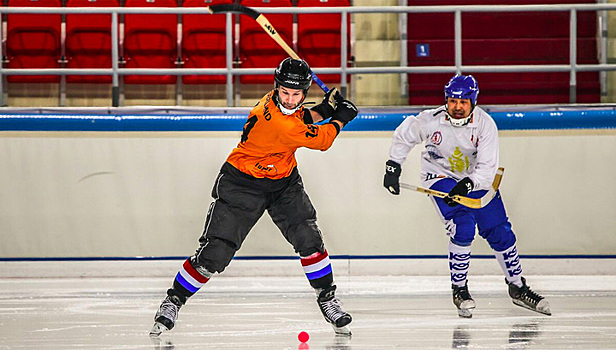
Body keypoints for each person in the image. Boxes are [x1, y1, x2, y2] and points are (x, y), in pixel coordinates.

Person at [150, 57, 358, 336]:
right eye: (285, 92)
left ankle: (327, 298)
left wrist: (326, 108)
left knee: (309, 238)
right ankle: (173, 300)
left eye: (296, 94)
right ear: (276, 87)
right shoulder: (275, 121)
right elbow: (321, 140)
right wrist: (342, 115)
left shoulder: (284, 108)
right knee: (215, 253)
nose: (289, 98)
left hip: (283, 183)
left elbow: (303, 116)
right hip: (242, 184)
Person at [382, 74, 551, 318]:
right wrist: (393, 166)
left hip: (475, 179)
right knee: (463, 225)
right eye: (452, 101)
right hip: (439, 178)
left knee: (500, 231)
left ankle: (517, 287)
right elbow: (404, 135)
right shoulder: (431, 120)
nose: (457, 107)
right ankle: (459, 290)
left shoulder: (485, 124)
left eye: (463, 102)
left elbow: (487, 168)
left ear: (473, 101)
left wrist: (468, 184)